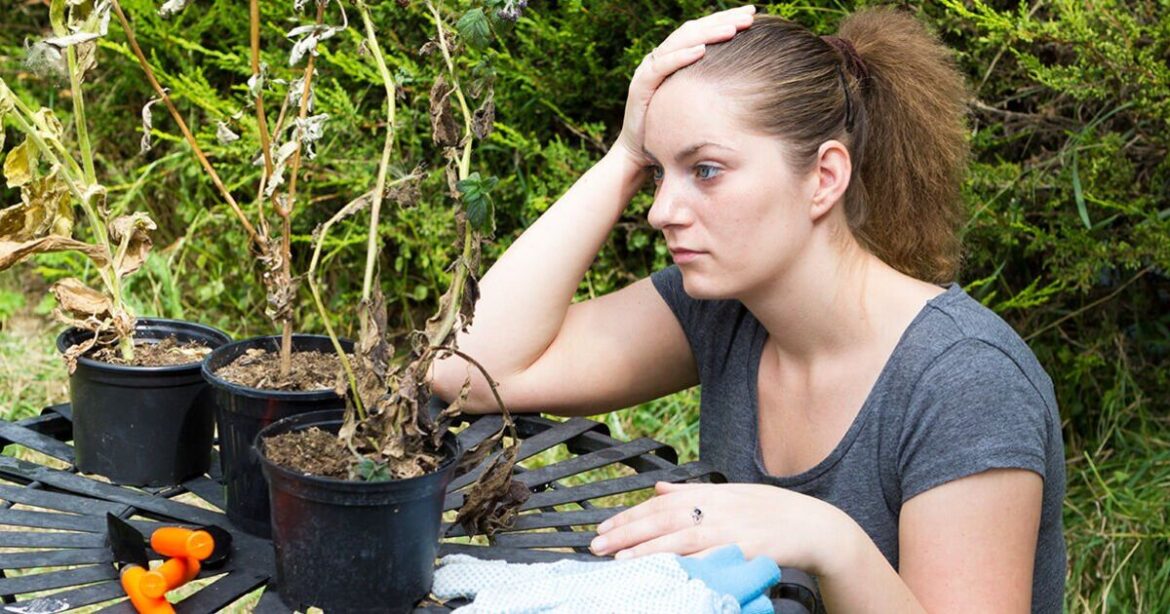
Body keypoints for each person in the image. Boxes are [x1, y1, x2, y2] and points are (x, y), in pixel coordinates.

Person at [432, 5, 1066, 612]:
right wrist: (625, 153)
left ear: (823, 178)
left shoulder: (964, 383)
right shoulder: (726, 308)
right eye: (659, 174)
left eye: (705, 170)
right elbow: (467, 372)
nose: (660, 211)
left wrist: (831, 541)